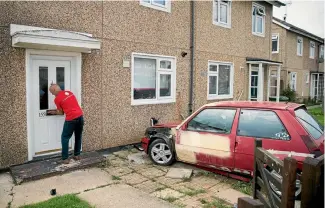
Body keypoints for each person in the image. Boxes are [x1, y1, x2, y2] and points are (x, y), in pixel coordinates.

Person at [48, 84, 84, 164]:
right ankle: (77, 155)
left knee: (65, 137)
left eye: (51, 92)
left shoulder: (57, 99)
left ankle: (65, 158)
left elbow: (61, 112)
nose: (51, 94)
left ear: (54, 90)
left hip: (71, 119)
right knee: (78, 136)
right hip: (80, 116)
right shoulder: (69, 92)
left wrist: (53, 112)